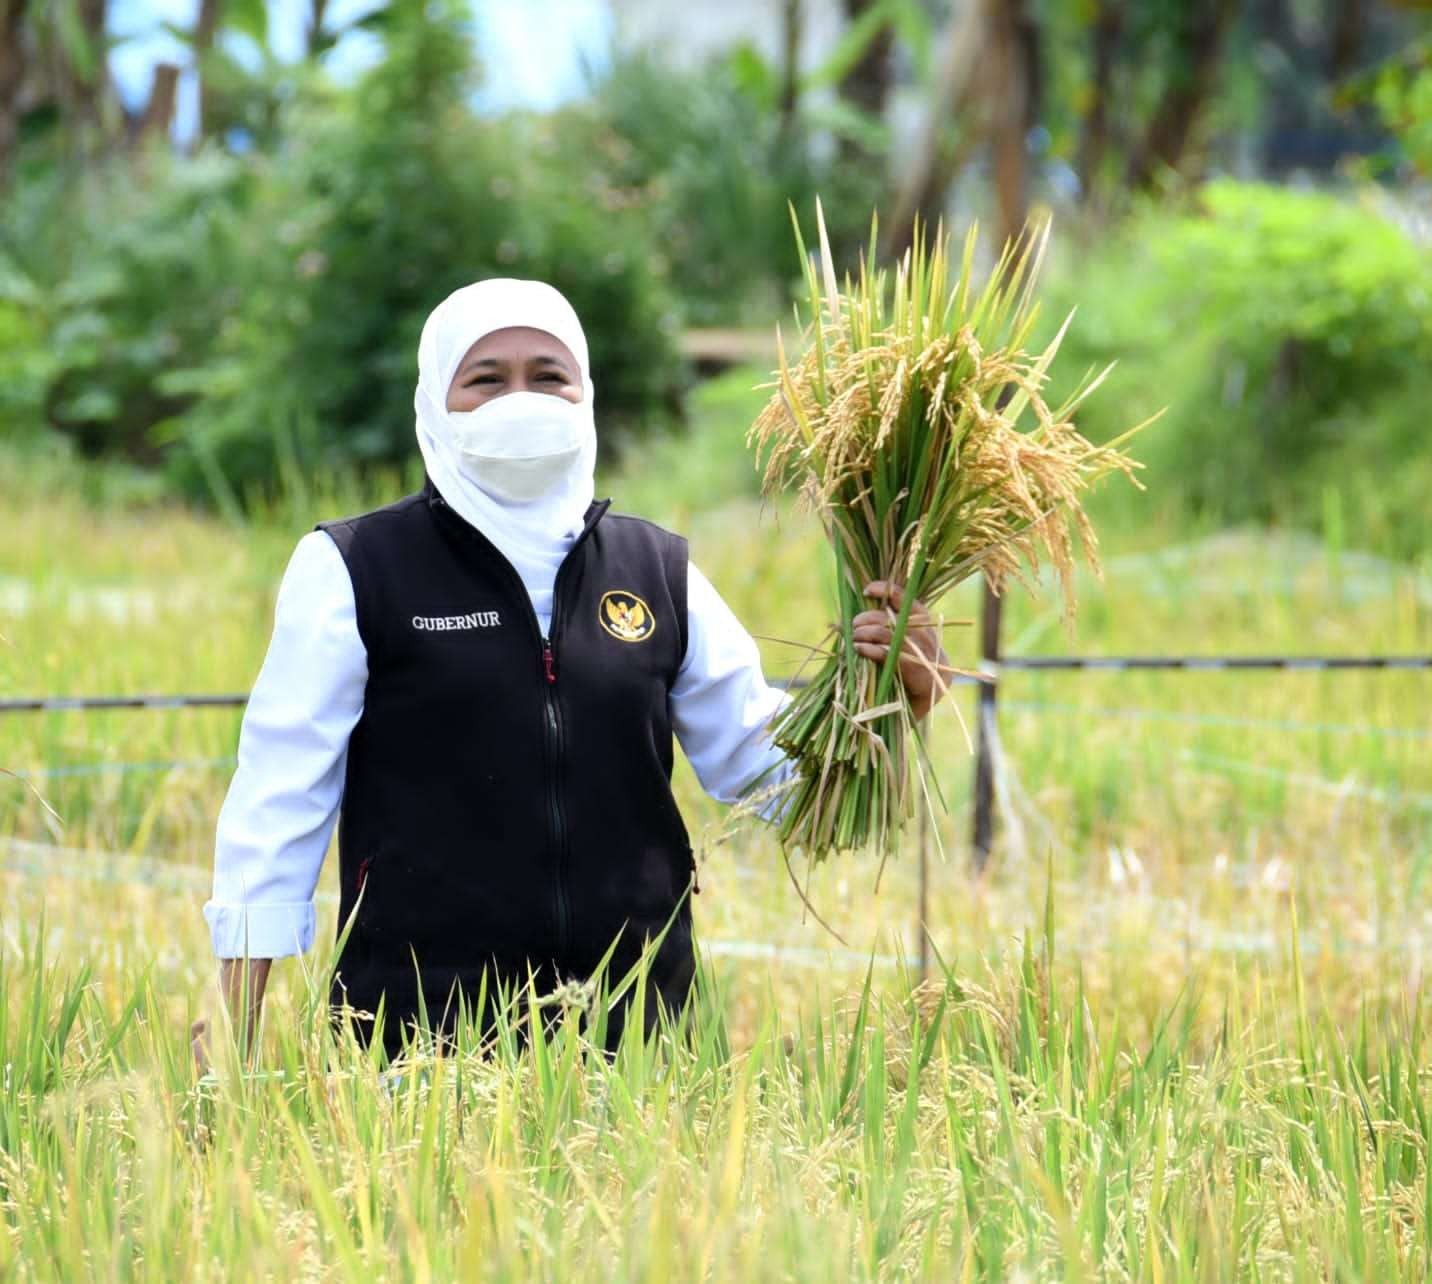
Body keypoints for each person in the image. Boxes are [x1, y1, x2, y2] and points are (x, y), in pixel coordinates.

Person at [196, 278, 947, 1062]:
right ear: (433, 403)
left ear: (585, 394)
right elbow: (280, 799)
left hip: (641, 1048)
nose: (520, 400)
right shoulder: (356, 569)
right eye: (485, 379)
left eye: (548, 376)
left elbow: (769, 772)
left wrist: (897, 695)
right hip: (418, 1049)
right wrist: (229, 1022)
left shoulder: (657, 569)